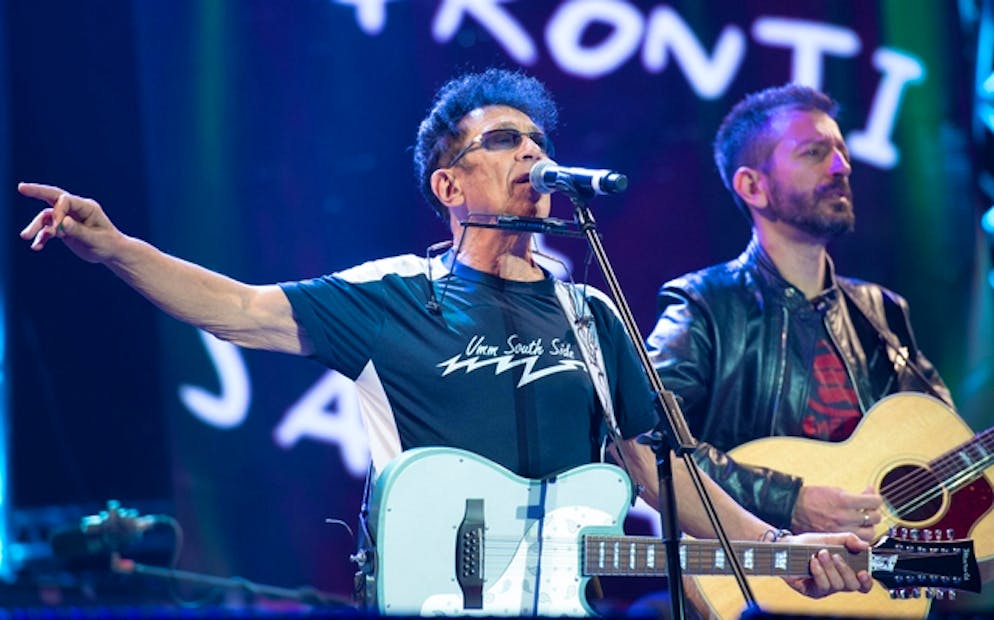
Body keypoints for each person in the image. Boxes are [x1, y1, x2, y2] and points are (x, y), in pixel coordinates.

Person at [19, 69, 871, 612]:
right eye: (503, 141)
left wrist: (773, 549)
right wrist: (116, 247)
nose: (531, 153)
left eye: (537, 141)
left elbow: (657, 468)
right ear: (449, 185)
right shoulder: (396, 295)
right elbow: (239, 309)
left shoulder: (591, 314)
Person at [646, 83, 955, 539]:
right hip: (759, 569)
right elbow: (648, 442)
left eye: (842, 151)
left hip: (874, 567)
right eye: (814, 152)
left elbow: (945, 446)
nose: (842, 166)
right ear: (753, 186)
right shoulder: (703, 303)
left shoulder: (882, 311)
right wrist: (789, 502)